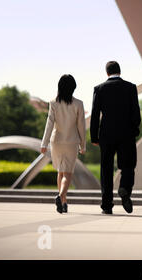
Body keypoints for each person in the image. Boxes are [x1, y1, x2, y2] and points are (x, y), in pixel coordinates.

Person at [90, 61, 141, 215]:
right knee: (128, 165)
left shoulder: (99, 89)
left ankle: (107, 205)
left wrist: (94, 136)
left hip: (106, 134)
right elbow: (136, 113)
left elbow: (94, 115)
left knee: (106, 169)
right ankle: (124, 187)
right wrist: (134, 130)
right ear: (120, 71)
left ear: (107, 73)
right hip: (126, 134)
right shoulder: (131, 88)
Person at [41, 74, 86, 214]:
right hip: (71, 142)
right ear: (73, 87)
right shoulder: (78, 104)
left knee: (60, 171)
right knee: (68, 173)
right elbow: (81, 126)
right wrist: (83, 145)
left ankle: (64, 203)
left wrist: (44, 143)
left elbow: (49, 125)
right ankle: (61, 197)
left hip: (56, 142)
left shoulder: (53, 103)